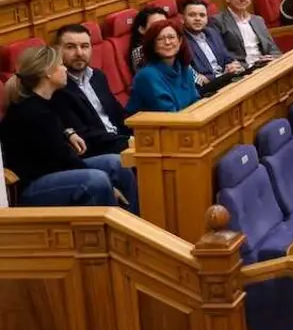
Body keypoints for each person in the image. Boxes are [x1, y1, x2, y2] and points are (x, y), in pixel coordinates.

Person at [0, 45, 138, 209]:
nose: (65, 69)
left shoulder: (49, 101)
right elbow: (62, 158)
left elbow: (60, 129)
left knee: (117, 163)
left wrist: (68, 132)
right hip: (35, 183)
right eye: (60, 65)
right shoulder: (31, 113)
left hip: (58, 170)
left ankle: (137, 220)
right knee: (97, 180)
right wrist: (111, 187)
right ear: (48, 73)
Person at [52, 24, 131, 157]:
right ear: (57, 50)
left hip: (121, 140)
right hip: (99, 151)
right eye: (70, 47)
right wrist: (129, 142)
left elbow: (118, 114)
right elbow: (85, 134)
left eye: (84, 46)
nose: (79, 53)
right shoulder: (58, 88)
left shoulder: (98, 76)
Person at [126, 23, 201, 114]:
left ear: (180, 41)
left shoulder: (185, 69)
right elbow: (168, 115)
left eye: (171, 37)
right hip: (156, 126)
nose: (167, 42)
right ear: (152, 45)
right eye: (160, 39)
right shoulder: (147, 76)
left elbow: (196, 102)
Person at [211, 0, 281, 66]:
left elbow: (272, 47)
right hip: (241, 70)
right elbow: (221, 52)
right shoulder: (217, 21)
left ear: (250, 0)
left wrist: (273, 58)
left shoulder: (258, 20)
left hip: (264, 65)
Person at [181, 0, 244, 85]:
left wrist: (232, 65)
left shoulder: (212, 32)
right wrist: (218, 77)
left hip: (227, 79)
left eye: (202, 15)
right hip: (208, 88)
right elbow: (195, 77)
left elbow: (227, 57)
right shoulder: (180, 41)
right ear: (182, 18)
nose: (198, 19)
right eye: (192, 15)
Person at [127, 6, 169, 74]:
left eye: (165, 24)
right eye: (156, 25)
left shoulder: (172, 42)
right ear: (141, 29)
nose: (162, 28)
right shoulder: (139, 52)